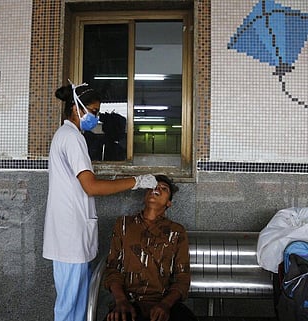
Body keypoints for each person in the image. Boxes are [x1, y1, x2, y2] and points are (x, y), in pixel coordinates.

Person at [42, 82, 158, 321]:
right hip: (69, 235)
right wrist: (135, 182)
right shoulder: (71, 138)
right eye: (93, 111)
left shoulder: (70, 136)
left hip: (71, 233)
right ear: (76, 107)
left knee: (76, 306)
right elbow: (91, 186)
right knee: (68, 307)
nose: (95, 117)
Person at [103, 175, 198, 321]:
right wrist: (121, 301)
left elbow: (182, 278)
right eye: (153, 187)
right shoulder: (123, 224)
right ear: (145, 196)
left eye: (163, 189)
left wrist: (165, 305)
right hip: (130, 302)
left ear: (169, 203)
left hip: (164, 303)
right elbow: (112, 268)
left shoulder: (177, 231)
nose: (157, 189)